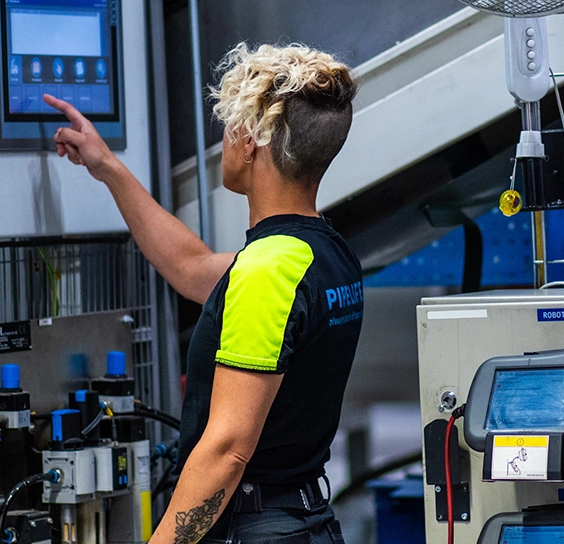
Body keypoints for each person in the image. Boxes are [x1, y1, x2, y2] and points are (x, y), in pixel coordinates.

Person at [42, 42, 363, 544]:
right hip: (304, 520)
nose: (224, 141)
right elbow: (191, 268)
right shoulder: (323, 253)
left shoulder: (268, 269)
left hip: (253, 526)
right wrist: (108, 168)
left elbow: (227, 449)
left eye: (231, 125)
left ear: (253, 140)